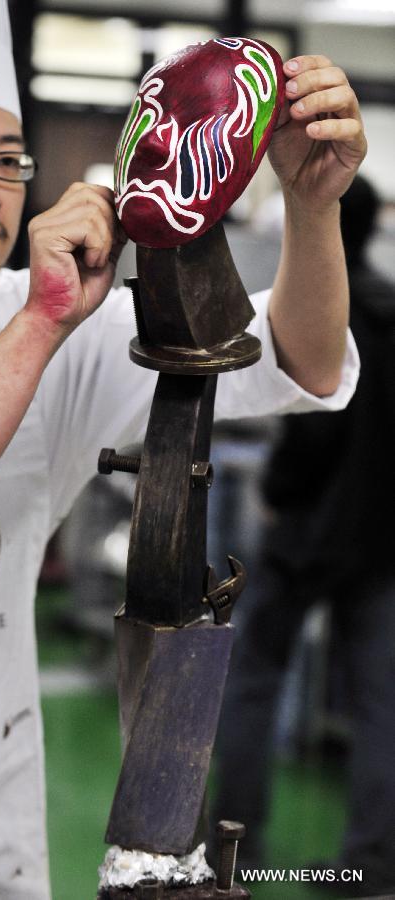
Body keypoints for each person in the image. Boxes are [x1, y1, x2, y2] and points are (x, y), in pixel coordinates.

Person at [0, 2, 365, 897]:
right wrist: (41, 326)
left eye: (6, 160)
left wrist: (310, 204)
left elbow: (304, 360)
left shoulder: (53, 313)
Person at [212, 175, 395, 897]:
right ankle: (372, 864)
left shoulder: (320, 310)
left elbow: (312, 430)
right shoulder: (392, 306)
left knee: (255, 679)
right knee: (380, 702)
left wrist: (281, 501)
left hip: (305, 535)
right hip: (380, 541)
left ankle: (237, 845)